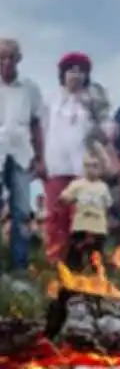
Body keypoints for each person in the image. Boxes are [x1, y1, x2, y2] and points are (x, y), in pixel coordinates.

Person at [0, 37, 44, 277]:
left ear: (19, 59)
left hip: (21, 154)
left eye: (11, 57)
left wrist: (41, 158)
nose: (6, 62)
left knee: (21, 211)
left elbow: (37, 125)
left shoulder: (29, 88)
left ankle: (20, 267)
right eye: (1, 57)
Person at [44, 52, 94, 264]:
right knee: (57, 215)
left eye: (80, 71)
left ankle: (78, 263)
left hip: (83, 168)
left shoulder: (92, 102)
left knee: (81, 216)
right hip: (56, 166)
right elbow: (42, 129)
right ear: (63, 74)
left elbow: (103, 130)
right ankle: (56, 260)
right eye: (71, 70)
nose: (75, 75)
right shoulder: (52, 100)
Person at [58, 154, 112, 271]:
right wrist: (67, 199)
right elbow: (63, 197)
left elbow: (107, 206)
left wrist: (106, 223)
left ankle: (97, 276)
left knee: (96, 255)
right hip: (80, 225)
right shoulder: (77, 184)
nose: (91, 169)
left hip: (98, 227)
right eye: (87, 166)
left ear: (101, 169)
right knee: (75, 252)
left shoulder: (103, 187)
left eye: (95, 166)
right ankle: (74, 273)